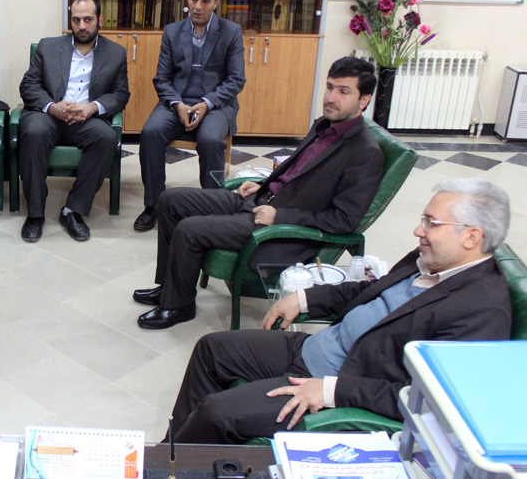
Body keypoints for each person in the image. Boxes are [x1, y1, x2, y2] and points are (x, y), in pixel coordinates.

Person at [168, 179, 512, 444]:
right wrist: (304, 299)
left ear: (471, 237)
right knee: (212, 349)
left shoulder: (481, 311)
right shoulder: (431, 258)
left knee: (217, 413)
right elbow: (369, 290)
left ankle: (178, 464)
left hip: (338, 382)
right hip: (317, 348)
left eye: (431, 223)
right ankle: (173, 452)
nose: (418, 231)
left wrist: (330, 390)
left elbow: (426, 401)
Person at [134, 57, 384, 329]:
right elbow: (296, 171)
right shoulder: (324, 125)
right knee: (171, 200)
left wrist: (279, 216)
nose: (331, 97)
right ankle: (169, 287)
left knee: (189, 229)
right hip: (258, 199)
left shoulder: (365, 153)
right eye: (330, 87)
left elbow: (344, 220)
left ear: (364, 100)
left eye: (343, 91)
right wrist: (263, 184)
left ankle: (178, 306)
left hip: (275, 226)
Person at [135, 0, 246, 232]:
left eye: (205, 1)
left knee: (210, 140)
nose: (198, 6)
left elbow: (236, 80)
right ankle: (153, 205)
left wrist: (207, 103)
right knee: (150, 133)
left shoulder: (231, 32)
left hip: (217, 104)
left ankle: (212, 208)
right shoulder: (173, 31)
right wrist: (177, 104)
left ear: (216, 3)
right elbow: (162, 78)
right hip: (177, 102)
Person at [18, 0, 130, 242]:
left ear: (99, 20)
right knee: (33, 132)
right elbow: (29, 85)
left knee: (106, 138)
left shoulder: (116, 53)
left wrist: (92, 107)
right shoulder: (48, 47)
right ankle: (35, 214)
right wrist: (52, 107)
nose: (81, 26)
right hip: (50, 116)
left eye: (88, 19)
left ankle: (73, 210)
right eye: (76, 20)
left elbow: (121, 94)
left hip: (86, 119)